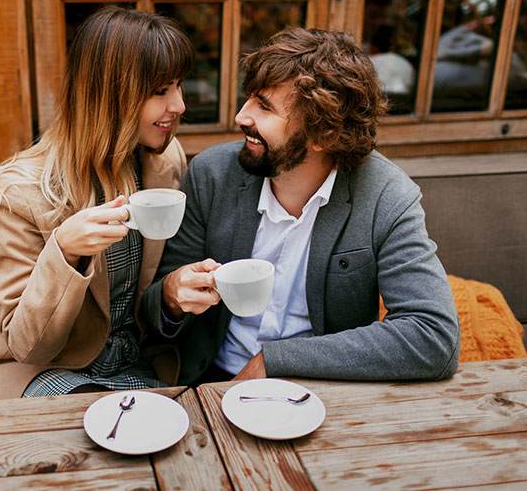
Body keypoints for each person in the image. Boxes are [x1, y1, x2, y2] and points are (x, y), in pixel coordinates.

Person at [0, 7, 194, 405]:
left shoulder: (165, 161)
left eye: (178, 86)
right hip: (39, 368)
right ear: (109, 95)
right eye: (161, 91)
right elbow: (28, 345)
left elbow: (145, 296)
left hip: (132, 361)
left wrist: (176, 295)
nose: (179, 105)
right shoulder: (20, 190)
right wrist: (65, 252)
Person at [141, 27, 460, 386]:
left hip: (321, 387)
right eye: (249, 99)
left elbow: (434, 336)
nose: (241, 117)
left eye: (264, 107)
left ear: (325, 134)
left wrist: (276, 361)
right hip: (211, 382)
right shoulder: (212, 175)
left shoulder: (386, 196)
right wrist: (170, 296)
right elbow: (153, 312)